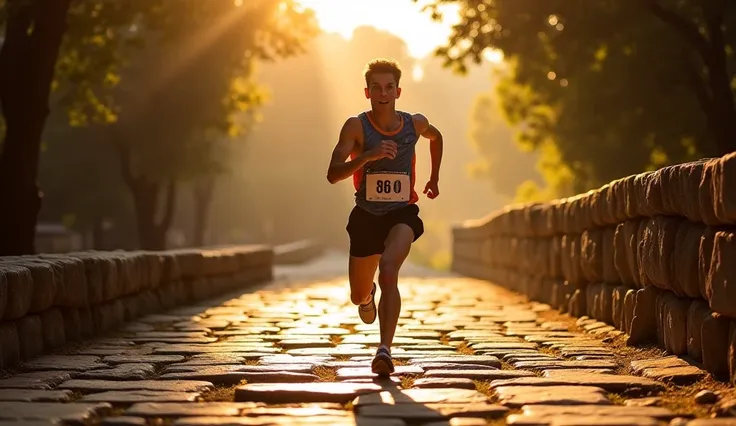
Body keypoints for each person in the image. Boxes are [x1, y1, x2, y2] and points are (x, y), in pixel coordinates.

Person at [325, 58, 444, 376]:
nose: (383, 93)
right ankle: (367, 298)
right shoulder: (355, 126)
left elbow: (437, 137)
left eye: (389, 87)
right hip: (366, 216)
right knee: (357, 294)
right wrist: (367, 156)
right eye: (376, 87)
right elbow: (332, 174)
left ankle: (384, 351)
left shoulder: (414, 124)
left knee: (389, 269)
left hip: (402, 213)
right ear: (367, 92)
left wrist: (433, 179)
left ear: (398, 91)